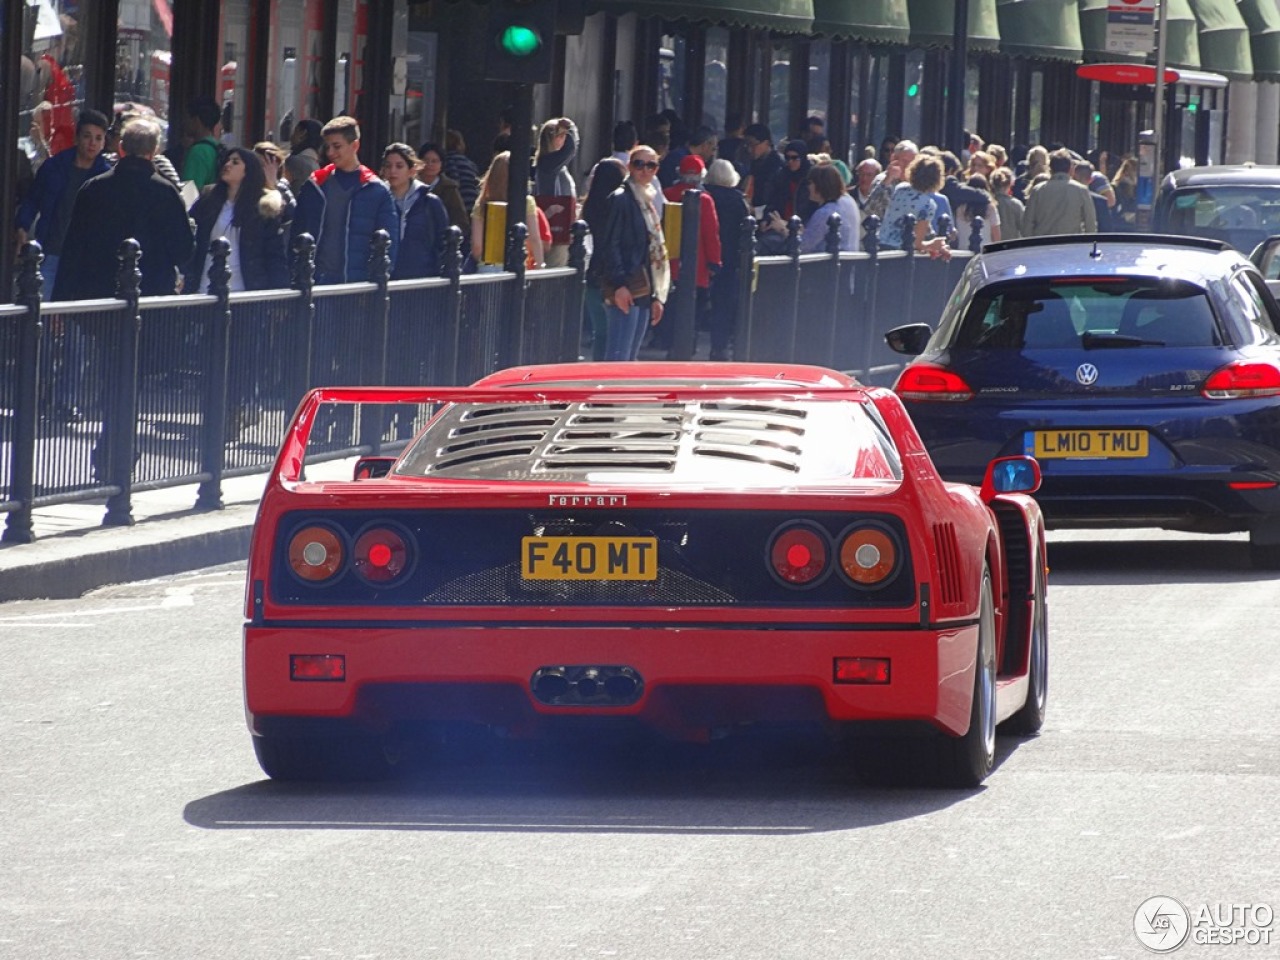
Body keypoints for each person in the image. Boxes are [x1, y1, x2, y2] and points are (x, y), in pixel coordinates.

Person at [54, 117, 195, 300]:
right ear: (154, 152)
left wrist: (61, 297)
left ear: (121, 148)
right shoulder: (167, 193)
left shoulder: (93, 188)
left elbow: (72, 249)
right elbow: (183, 251)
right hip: (152, 298)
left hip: (99, 299)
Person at [16, 108, 111, 300]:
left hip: (84, 259)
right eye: (87, 136)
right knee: (41, 309)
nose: (92, 143)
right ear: (77, 138)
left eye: (98, 138)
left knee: (76, 316)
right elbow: (33, 200)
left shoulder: (107, 176)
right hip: (51, 251)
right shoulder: (54, 167)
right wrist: (22, 227)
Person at [291, 116, 399, 284]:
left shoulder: (377, 191)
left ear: (354, 145)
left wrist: (375, 284)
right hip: (316, 282)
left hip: (358, 286)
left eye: (337, 146)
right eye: (328, 147)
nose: (330, 153)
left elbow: (389, 247)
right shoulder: (314, 185)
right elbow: (295, 235)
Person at [597, 145, 671, 360]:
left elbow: (653, 250)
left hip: (644, 287)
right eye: (639, 164)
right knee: (618, 356)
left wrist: (657, 296)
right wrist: (619, 284)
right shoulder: (621, 199)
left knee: (630, 358)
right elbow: (611, 243)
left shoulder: (648, 200)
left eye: (651, 165)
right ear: (629, 166)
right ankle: (611, 393)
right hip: (626, 285)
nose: (645, 170)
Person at [185, 147, 291, 293]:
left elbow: (274, 255)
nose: (227, 164)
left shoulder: (263, 206)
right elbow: (190, 238)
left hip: (243, 291)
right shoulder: (208, 198)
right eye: (227, 161)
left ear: (248, 170)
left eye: (235, 162)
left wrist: (280, 294)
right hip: (204, 288)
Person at [658, 154, 722, 354]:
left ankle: (666, 342)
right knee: (694, 312)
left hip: (670, 262)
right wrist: (714, 262)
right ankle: (688, 346)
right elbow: (711, 234)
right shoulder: (705, 199)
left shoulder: (667, 194)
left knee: (671, 307)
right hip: (698, 267)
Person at [580, 157, 629, 360]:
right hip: (613, 277)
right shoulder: (619, 207)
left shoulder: (588, 209)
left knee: (600, 332)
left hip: (593, 276)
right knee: (614, 334)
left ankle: (597, 367)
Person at [703, 158, 751, 361]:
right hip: (730, 258)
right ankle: (719, 346)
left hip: (704, 256)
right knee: (724, 304)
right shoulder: (737, 200)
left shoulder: (704, 196)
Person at [381, 143, 449, 279]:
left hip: (423, 280)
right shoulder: (377, 201)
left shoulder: (430, 202)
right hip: (386, 278)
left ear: (412, 170)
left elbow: (444, 243)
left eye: (399, 166)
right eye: (388, 166)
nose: (393, 171)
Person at [470, 151, 545, 272]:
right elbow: (534, 239)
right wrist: (540, 266)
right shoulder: (526, 202)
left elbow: (477, 247)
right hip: (518, 265)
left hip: (488, 268)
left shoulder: (481, 205)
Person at [877, 154, 950, 259]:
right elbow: (916, 243)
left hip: (880, 248)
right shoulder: (928, 205)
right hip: (899, 255)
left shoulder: (900, 188)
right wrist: (933, 244)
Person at [533, 117, 579, 267]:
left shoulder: (551, 164)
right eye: (562, 135)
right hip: (556, 228)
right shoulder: (548, 163)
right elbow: (570, 150)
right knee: (556, 268)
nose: (564, 139)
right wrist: (571, 127)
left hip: (561, 226)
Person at [1023, 149, 1097, 236]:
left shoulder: (1038, 190)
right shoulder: (1081, 190)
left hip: (1042, 243)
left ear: (1050, 168)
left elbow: (1027, 224)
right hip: (1071, 244)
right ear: (1070, 169)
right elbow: (1090, 223)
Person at [760, 139, 818, 227]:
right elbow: (772, 201)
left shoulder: (811, 177)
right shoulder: (781, 176)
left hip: (803, 224)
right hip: (780, 222)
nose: (790, 161)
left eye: (795, 158)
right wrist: (766, 219)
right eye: (787, 158)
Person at [416, 141, 469, 233]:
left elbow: (460, 220)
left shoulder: (449, 188)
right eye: (426, 160)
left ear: (441, 164)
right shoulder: (411, 185)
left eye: (434, 161)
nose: (430, 165)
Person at [863, 140, 918, 221]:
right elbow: (869, 210)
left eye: (912, 162)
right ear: (894, 159)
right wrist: (887, 180)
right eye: (905, 161)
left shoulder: (916, 183)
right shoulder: (882, 180)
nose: (908, 166)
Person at [182, 95, 224, 190]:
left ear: (196, 121)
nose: (184, 122)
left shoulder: (198, 151)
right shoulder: (217, 147)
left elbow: (189, 192)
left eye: (187, 118)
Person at [742, 123, 783, 207]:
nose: (749, 150)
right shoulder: (751, 162)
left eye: (753, 145)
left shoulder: (778, 166)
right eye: (747, 145)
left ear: (766, 143)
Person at [443, 129, 481, 213]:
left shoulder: (449, 160)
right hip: (474, 201)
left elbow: (455, 181)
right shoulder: (469, 163)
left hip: (462, 202)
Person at [284, 119, 323, 193]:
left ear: (302, 134)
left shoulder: (295, 162)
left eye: (295, 132)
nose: (291, 137)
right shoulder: (316, 165)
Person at [1073, 160, 1111, 232]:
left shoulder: (1068, 198)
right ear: (1091, 179)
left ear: (1074, 175)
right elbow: (1106, 229)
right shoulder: (1101, 202)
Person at [990, 167, 1024, 241]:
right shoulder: (1016, 204)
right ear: (1011, 183)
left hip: (992, 246)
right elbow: (1023, 227)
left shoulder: (989, 203)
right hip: (1011, 246)